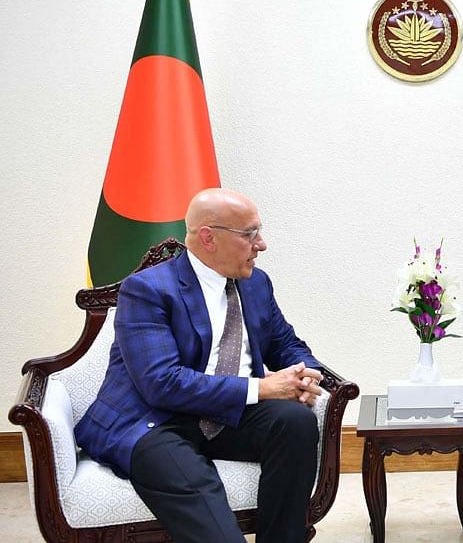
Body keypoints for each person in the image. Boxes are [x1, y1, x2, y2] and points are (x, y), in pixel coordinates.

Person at [75, 188, 324, 543]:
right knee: (196, 489)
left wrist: (305, 374)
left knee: (295, 421)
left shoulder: (256, 284)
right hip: (154, 421)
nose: (262, 244)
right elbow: (161, 383)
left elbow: (285, 344)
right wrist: (262, 387)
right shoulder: (146, 290)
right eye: (250, 233)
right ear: (209, 237)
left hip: (227, 414)